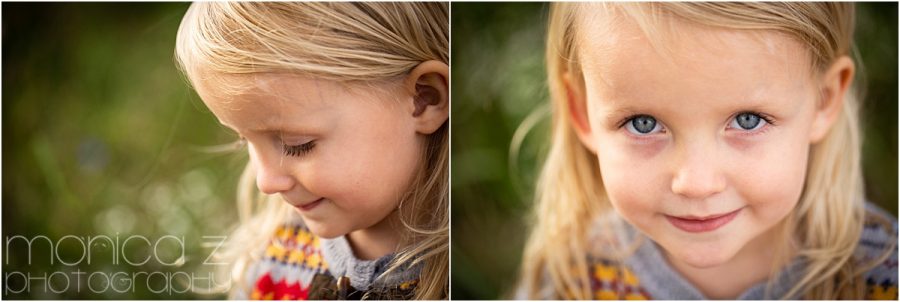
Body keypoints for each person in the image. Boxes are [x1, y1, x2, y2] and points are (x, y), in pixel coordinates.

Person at [517, 3, 897, 299]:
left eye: (748, 120)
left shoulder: (882, 275)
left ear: (823, 100)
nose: (697, 184)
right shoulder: (572, 279)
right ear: (582, 113)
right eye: (643, 123)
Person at [174, 2, 449, 300]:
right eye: (243, 140)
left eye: (297, 144)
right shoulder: (271, 263)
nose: (265, 182)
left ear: (425, 98)